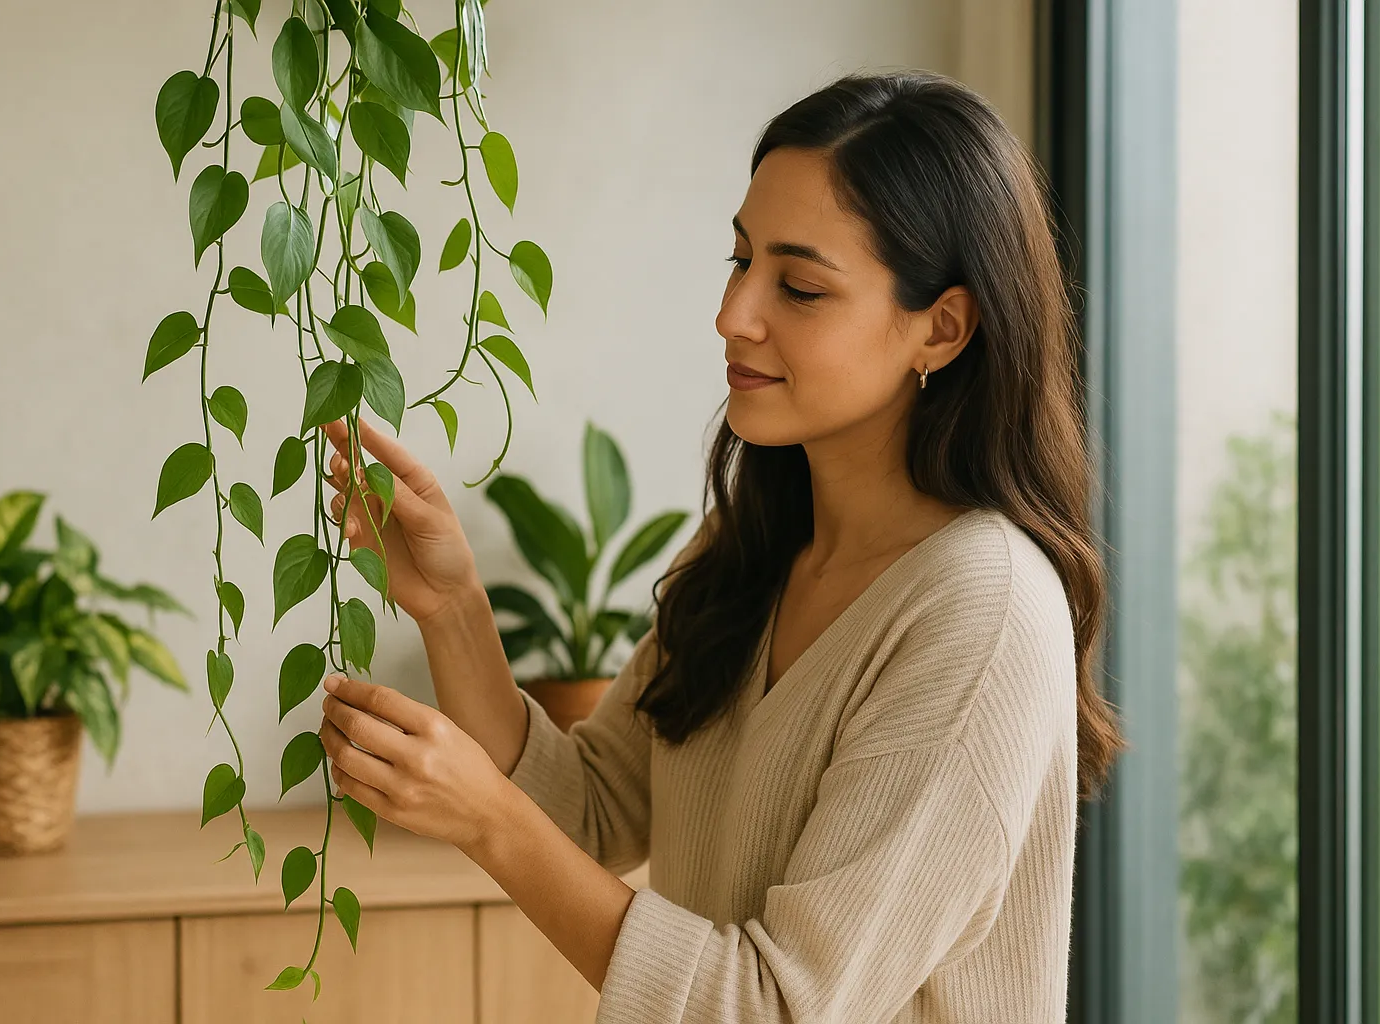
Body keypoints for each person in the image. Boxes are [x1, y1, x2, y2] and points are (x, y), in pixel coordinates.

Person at [312, 70, 1123, 1023]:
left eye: (801, 285)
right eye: (740, 261)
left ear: (941, 328)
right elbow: (589, 812)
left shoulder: (980, 612)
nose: (734, 314)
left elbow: (774, 1006)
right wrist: (452, 607)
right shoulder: (753, 543)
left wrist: (487, 822)